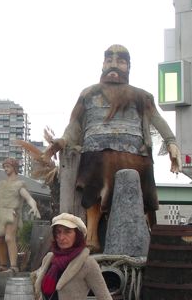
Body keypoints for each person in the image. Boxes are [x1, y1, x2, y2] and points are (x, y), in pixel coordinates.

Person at [44, 44, 182, 250]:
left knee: (137, 186)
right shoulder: (88, 94)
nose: (113, 65)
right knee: (94, 180)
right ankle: (91, 235)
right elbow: (75, 124)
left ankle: (140, 233)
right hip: (95, 152)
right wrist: (62, 140)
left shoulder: (141, 96)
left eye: (120, 61)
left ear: (128, 66)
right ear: (102, 64)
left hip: (134, 154)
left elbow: (157, 120)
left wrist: (171, 143)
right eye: (109, 61)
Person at [0, 157, 41, 272]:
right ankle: (3, 265)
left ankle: (13, 267)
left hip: (11, 213)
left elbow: (28, 198)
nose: (5, 169)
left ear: (14, 168)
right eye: (4, 167)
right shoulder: (1, 184)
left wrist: (34, 206)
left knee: (9, 238)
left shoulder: (19, 185)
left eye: (8, 167)